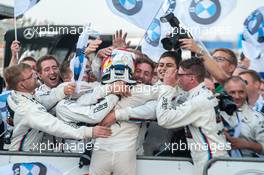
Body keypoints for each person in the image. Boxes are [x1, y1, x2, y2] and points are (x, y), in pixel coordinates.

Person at [4, 63, 112, 151]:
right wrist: (88, 132)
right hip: (21, 158)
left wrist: (63, 91)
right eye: (31, 76)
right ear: (21, 85)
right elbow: (55, 126)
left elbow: (44, 100)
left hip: (31, 154)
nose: (36, 77)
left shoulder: (21, 95)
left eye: (34, 73)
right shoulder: (27, 109)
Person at [156, 58, 228, 175]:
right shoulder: (201, 93)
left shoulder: (199, 100)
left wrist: (167, 87)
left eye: (179, 74)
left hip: (211, 164)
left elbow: (164, 120)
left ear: (192, 78)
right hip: (213, 161)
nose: (177, 77)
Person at [222, 76, 264, 157]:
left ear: (246, 93)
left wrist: (247, 145)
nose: (237, 96)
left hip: (249, 167)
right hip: (219, 165)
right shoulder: (215, 115)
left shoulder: (258, 118)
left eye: (241, 92)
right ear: (225, 93)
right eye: (232, 92)